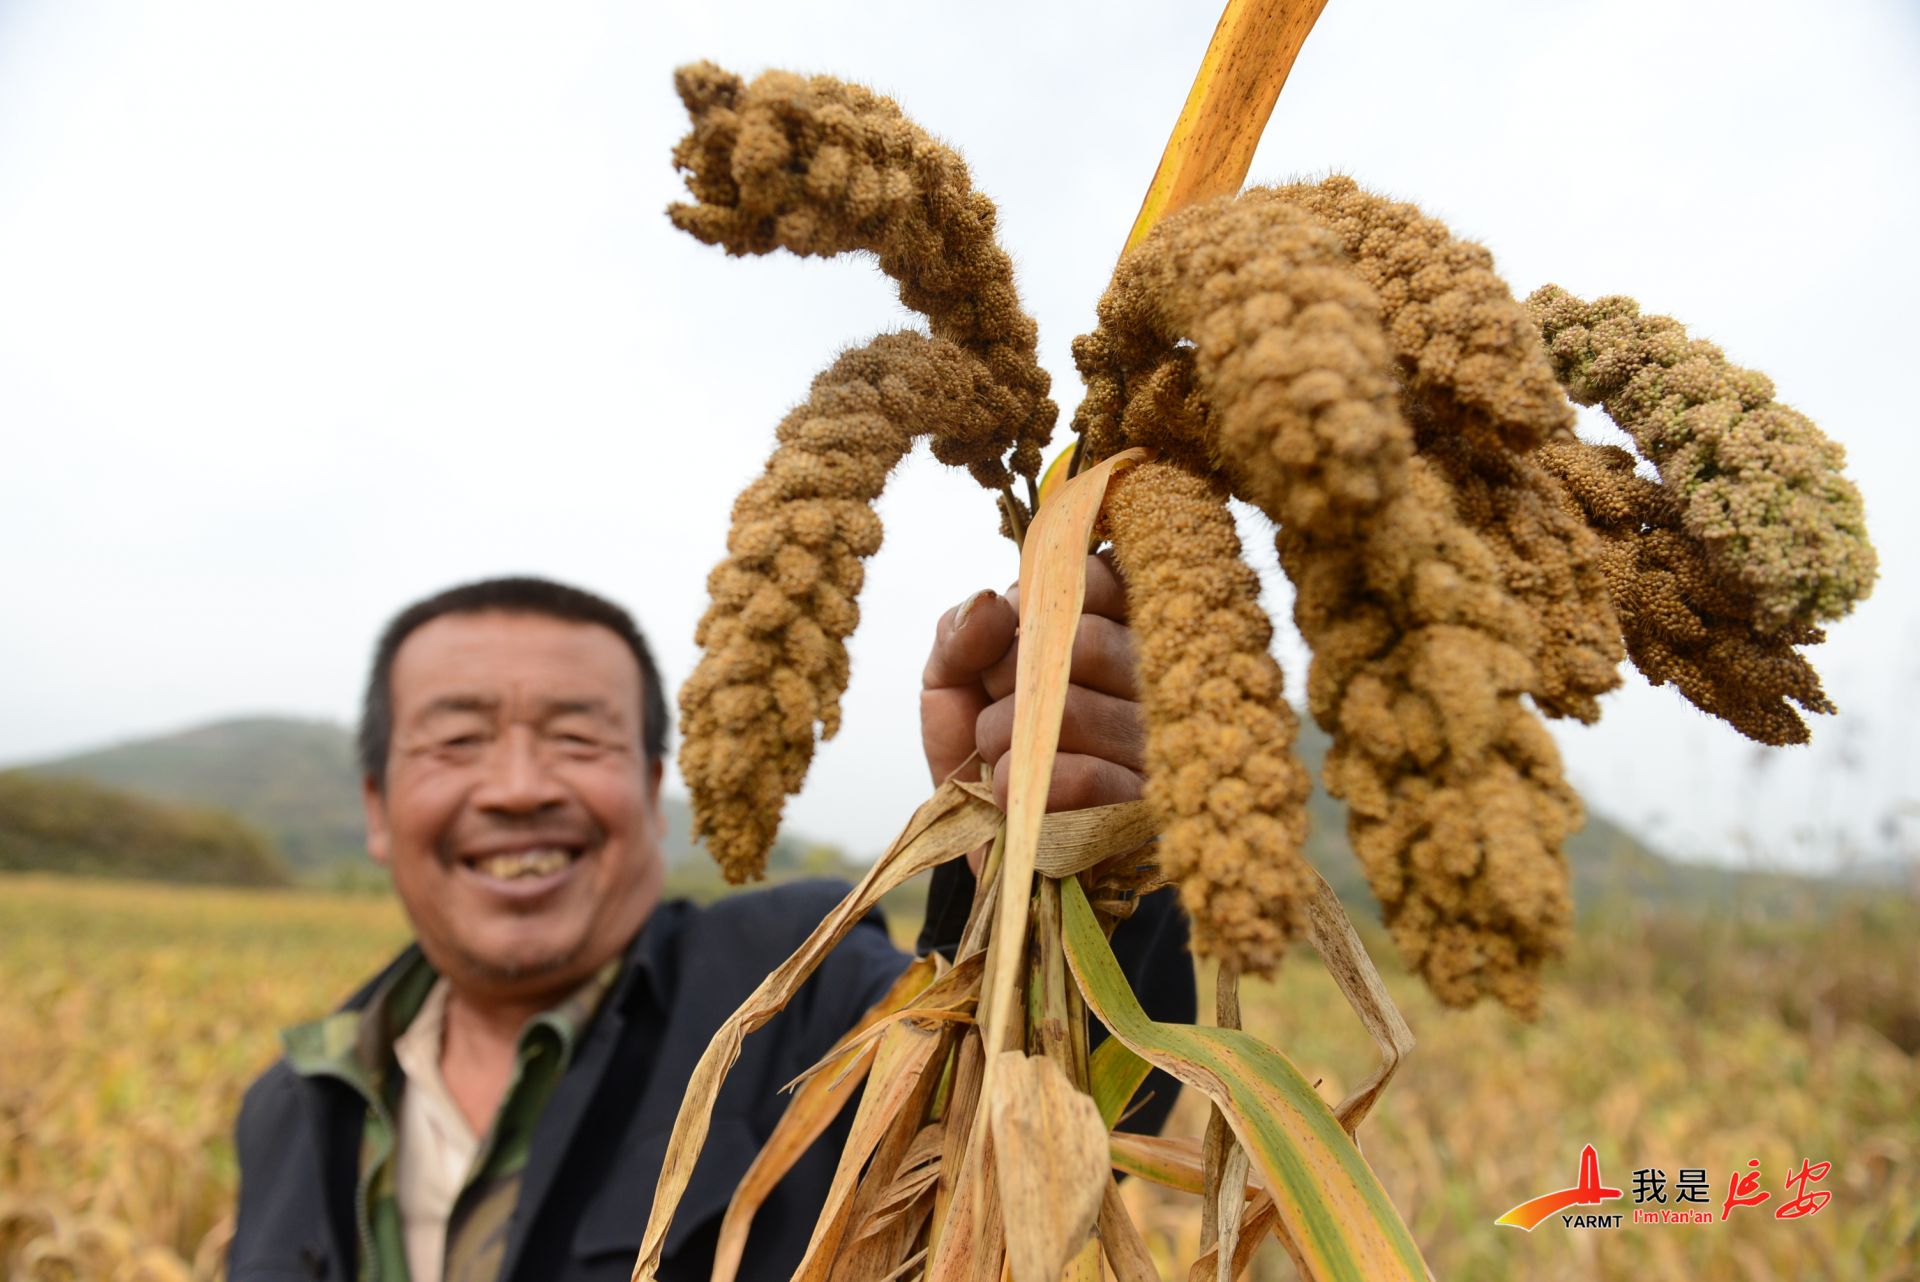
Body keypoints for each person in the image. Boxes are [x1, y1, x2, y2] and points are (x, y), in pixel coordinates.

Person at [228, 570, 1192, 1282]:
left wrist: (1047, 870)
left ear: (652, 794)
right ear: (375, 806)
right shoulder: (293, 1104)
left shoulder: (796, 1002)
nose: (518, 788)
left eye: (576, 736)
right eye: (456, 740)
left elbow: (1060, 1107)